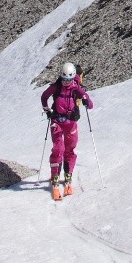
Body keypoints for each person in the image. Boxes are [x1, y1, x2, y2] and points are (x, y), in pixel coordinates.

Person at [40, 61, 93, 200]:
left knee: (70, 149)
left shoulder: (76, 88)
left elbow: (89, 101)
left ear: (73, 78)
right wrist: (47, 110)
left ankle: (68, 175)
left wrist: (86, 101)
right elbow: (44, 96)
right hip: (57, 121)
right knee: (58, 149)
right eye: (64, 79)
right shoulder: (56, 86)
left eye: (68, 80)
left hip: (71, 123)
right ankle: (55, 177)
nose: (66, 82)